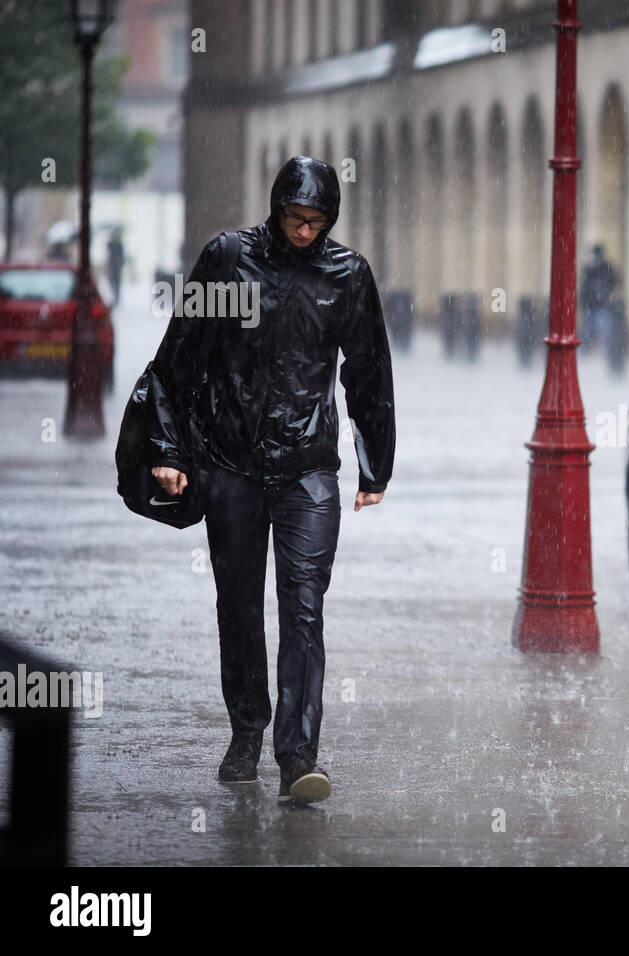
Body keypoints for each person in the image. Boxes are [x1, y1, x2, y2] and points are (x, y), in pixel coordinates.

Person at [148, 156, 395, 804]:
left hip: (308, 470)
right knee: (238, 606)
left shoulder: (347, 276)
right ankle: (247, 731)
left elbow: (367, 371)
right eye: (295, 218)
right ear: (276, 208)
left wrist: (375, 465)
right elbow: (181, 355)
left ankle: (297, 755)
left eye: (316, 221)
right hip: (231, 466)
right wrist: (169, 449)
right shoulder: (229, 260)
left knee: (304, 610)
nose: (305, 231)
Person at [579, 244, 618, 352]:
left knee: (599, 333)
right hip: (596, 306)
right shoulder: (591, 268)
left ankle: (597, 352)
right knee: (598, 333)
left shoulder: (597, 268)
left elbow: (613, 282)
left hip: (598, 306)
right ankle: (592, 352)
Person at [106, 228, 125, 304]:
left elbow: (122, 257)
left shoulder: (119, 244)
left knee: (116, 283)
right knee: (112, 282)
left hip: (116, 267)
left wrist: (120, 263)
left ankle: (116, 298)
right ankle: (115, 297)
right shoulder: (111, 244)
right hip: (112, 266)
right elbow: (108, 247)